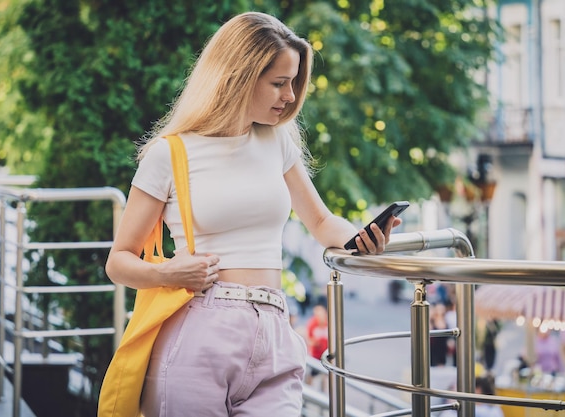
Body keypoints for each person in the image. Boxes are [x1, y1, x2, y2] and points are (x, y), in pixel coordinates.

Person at [104, 11, 402, 417]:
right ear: (239, 77)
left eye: (294, 82)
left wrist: (358, 240)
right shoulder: (169, 154)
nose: (291, 96)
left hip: (275, 331)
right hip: (199, 329)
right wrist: (167, 273)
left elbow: (320, 221)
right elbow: (118, 262)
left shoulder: (277, 143)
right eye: (279, 83)